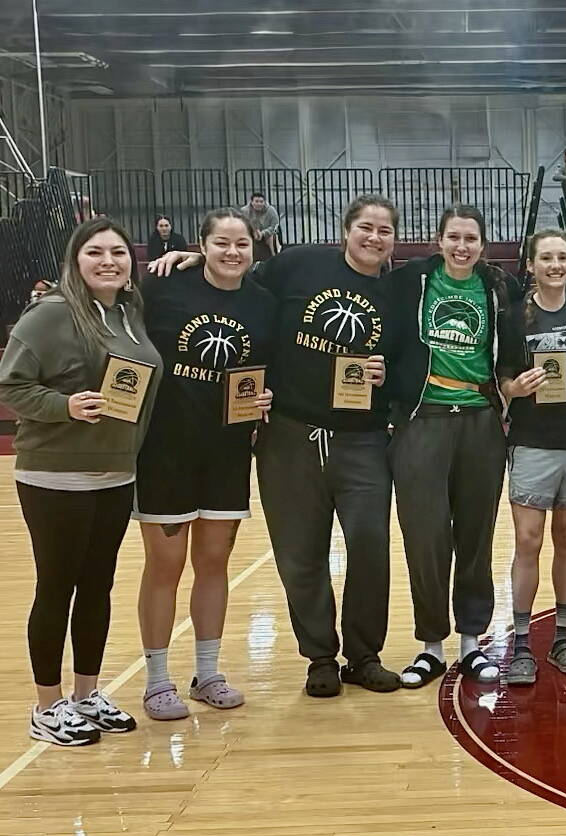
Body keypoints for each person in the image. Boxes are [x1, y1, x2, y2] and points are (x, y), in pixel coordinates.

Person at [150, 195, 402, 698]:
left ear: (394, 239)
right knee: (299, 553)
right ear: (345, 230)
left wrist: (384, 373)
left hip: (363, 438)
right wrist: (201, 256)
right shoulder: (297, 264)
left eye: (384, 230)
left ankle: (364, 655)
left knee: (371, 548)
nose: (374, 238)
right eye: (365, 228)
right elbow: (234, 279)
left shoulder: (398, 292)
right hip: (288, 434)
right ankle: (320, 658)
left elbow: (406, 364)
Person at [0, 218, 162, 746]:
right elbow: (12, 385)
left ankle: (86, 694)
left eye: (118, 251)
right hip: (54, 475)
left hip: (115, 473)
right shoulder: (49, 314)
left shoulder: (129, 313)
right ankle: (47, 706)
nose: (108, 261)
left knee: (97, 586)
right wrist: (65, 406)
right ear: (76, 260)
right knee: (56, 588)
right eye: (95, 252)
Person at [133, 208, 277, 721]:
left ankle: (207, 673)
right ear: (203, 245)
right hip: (166, 452)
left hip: (227, 452)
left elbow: (269, 371)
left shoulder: (263, 303)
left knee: (214, 563)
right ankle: (156, 681)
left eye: (241, 243)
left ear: (254, 247)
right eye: (221, 243)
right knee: (165, 567)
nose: (233, 252)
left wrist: (266, 399)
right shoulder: (165, 287)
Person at [384, 205, 511, 687]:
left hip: (480, 422)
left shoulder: (496, 286)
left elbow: (543, 300)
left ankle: (472, 642)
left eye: (471, 238)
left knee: (476, 536)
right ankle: (431, 645)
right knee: (425, 536)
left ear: (482, 243)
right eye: (454, 237)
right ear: (438, 241)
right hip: (423, 421)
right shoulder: (410, 281)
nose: (462, 246)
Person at [497, 229, 566, 685]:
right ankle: (522, 642)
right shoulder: (513, 315)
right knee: (528, 541)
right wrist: (513, 389)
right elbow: (501, 376)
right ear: (532, 264)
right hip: (532, 439)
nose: (555, 265)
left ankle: (562, 637)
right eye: (546, 258)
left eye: (562, 257)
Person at [240, 192, 281, 261]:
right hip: (251, 233)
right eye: (256, 201)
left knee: (272, 238)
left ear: (264, 202)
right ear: (251, 202)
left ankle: (276, 258)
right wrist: (252, 232)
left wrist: (263, 233)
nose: (259, 204)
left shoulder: (271, 210)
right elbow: (241, 225)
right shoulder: (244, 211)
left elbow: (275, 225)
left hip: (267, 235)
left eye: (261, 202)